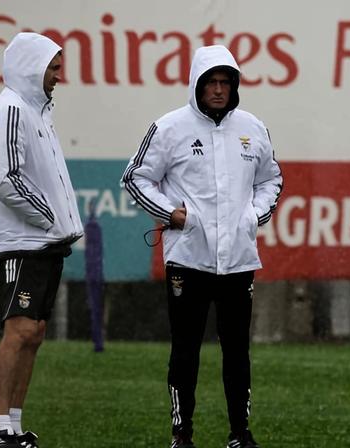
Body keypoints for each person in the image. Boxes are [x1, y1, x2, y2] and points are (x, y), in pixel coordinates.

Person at [122, 45, 282, 448]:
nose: (218, 89)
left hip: (238, 260)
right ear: (196, 84)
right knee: (186, 349)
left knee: (237, 351)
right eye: (211, 82)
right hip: (188, 258)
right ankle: (182, 434)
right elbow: (135, 178)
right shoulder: (169, 128)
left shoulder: (253, 128)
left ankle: (240, 433)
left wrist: (253, 216)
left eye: (226, 82)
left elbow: (271, 179)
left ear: (235, 85)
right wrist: (171, 213)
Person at [0, 32, 83, 448]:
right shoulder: (10, 109)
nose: (59, 75)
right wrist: (49, 217)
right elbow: (4, 178)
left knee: (35, 332)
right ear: (31, 66)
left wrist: (57, 226)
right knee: (19, 330)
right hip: (21, 242)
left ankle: (14, 426)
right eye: (53, 68)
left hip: (44, 242)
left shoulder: (38, 111)